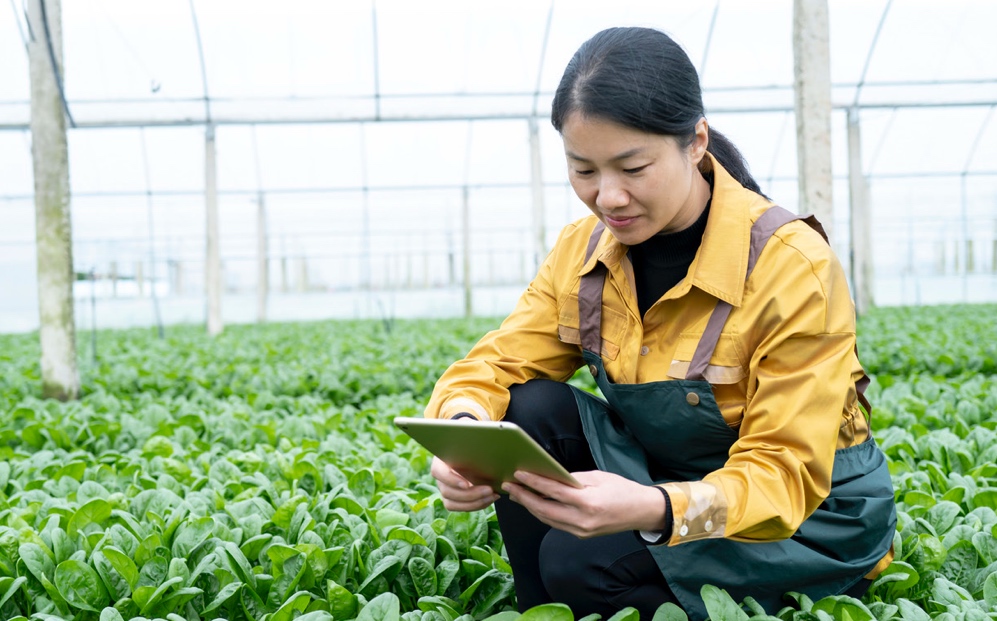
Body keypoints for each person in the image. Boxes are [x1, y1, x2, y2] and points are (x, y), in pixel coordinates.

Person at [424, 26, 896, 621]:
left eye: (632, 167)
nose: (609, 197)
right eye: (584, 171)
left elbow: (783, 477)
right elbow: (498, 362)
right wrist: (465, 434)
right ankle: (538, 609)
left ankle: (819, 585)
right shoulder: (585, 250)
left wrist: (655, 509)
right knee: (524, 413)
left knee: (582, 564)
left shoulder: (789, 264)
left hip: (806, 514)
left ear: (695, 141)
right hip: (663, 477)